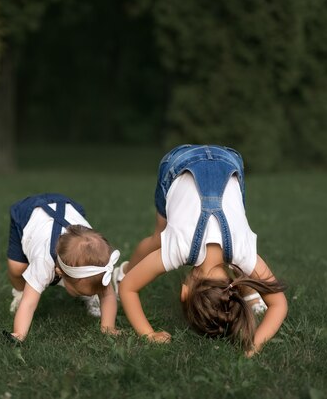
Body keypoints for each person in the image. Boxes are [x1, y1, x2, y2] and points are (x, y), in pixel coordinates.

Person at [116, 145, 287, 355]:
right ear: (184, 292)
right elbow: (128, 288)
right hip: (178, 166)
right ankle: (122, 272)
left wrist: (255, 344)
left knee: (160, 239)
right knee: (160, 238)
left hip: (228, 161)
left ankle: (251, 291)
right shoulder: (179, 247)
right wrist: (148, 334)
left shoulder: (243, 251)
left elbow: (278, 304)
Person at [4, 193, 120, 342]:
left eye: (94, 292)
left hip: (70, 209)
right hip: (28, 215)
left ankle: (90, 292)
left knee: (94, 282)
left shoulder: (98, 263)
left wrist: (108, 328)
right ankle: (19, 292)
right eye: (87, 292)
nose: (94, 293)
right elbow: (29, 303)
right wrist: (19, 333)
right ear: (59, 273)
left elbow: (109, 295)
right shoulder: (43, 262)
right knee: (17, 268)